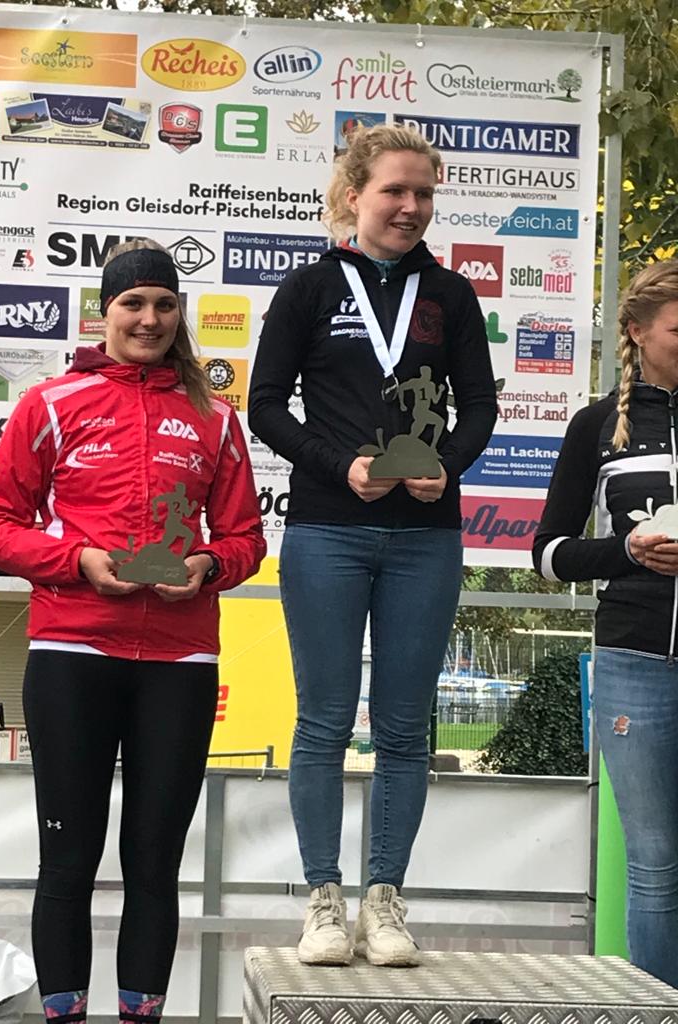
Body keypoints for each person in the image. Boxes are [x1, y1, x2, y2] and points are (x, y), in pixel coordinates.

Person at [0, 239, 265, 1024]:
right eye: (133, 304)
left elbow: (245, 539)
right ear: (105, 314)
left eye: (165, 304)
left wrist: (206, 564)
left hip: (179, 659)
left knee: (154, 865)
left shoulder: (214, 417)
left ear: (179, 315)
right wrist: (79, 561)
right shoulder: (51, 404)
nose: (150, 319)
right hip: (72, 649)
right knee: (67, 861)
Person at [248, 124, 497, 966]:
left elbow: (480, 407)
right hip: (327, 528)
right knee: (323, 721)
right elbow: (266, 404)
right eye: (395, 190)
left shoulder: (451, 295)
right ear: (354, 194)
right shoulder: (309, 287)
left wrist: (447, 467)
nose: (411, 207)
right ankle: (324, 901)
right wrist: (337, 465)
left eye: (424, 193)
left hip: (425, 535)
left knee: (403, 727)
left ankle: (384, 900)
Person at [533, 259, 678, 989]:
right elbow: (549, 555)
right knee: (655, 860)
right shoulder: (595, 425)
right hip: (634, 662)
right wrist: (628, 550)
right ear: (637, 332)